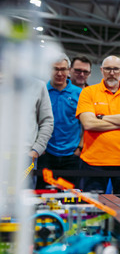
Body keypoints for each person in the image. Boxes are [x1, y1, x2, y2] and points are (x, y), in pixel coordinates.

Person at [76, 55, 120, 194]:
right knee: (93, 210)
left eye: (115, 69)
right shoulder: (88, 92)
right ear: (101, 70)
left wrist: (100, 117)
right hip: (93, 162)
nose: (112, 73)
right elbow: (88, 123)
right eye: (108, 69)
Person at [36, 54, 82, 189]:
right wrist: (39, 146)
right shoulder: (41, 90)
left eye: (63, 69)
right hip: (46, 153)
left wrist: (80, 147)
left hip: (71, 154)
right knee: (43, 194)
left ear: (69, 70)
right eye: (55, 69)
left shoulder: (79, 93)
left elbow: (84, 124)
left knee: (70, 196)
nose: (60, 73)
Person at [28, 78, 54, 187]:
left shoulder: (38, 86)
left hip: (27, 156)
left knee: (25, 200)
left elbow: (47, 121)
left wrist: (36, 150)